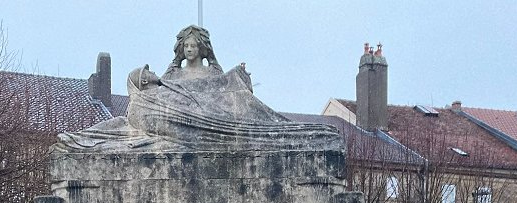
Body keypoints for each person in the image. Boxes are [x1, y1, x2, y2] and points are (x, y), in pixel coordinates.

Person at [57, 25, 342, 152]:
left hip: (216, 111)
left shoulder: (210, 74)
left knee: (246, 105)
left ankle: (290, 130)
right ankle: (83, 138)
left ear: (202, 48)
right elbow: (127, 120)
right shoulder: (160, 88)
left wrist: (236, 80)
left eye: (194, 46)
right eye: (186, 46)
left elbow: (222, 89)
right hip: (191, 120)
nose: (190, 49)